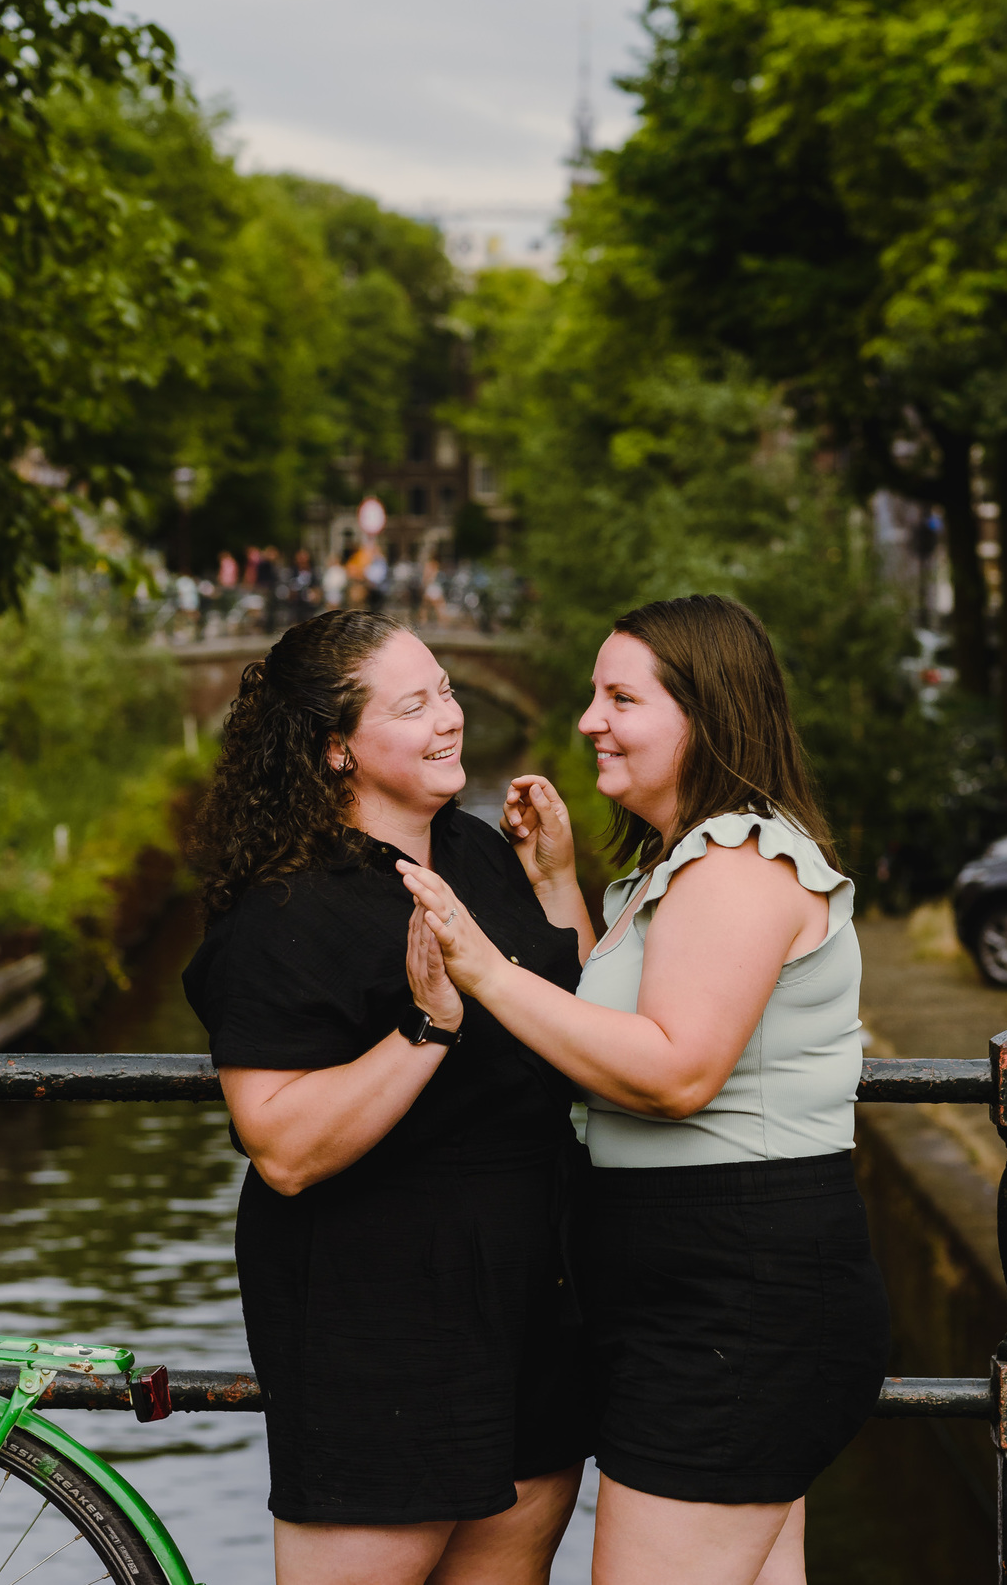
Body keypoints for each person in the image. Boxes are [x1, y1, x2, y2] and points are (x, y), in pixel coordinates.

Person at [398, 594, 890, 1585]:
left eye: (621, 697)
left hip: (736, 1301)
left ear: (705, 716)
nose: (590, 720)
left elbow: (674, 1071)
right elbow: (617, 1028)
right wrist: (557, 889)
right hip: (696, 1298)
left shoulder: (741, 866)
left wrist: (483, 966)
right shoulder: (674, 868)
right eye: (593, 694)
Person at [183, 609, 590, 1585]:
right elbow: (280, 1146)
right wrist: (425, 1028)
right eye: (415, 706)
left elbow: (569, 1025)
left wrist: (561, 886)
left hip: (529, 1302)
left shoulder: (482, 855)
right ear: (335, 749)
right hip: (378, 1322)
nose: (449, 718)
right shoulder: (287, 908)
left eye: (446, 689)